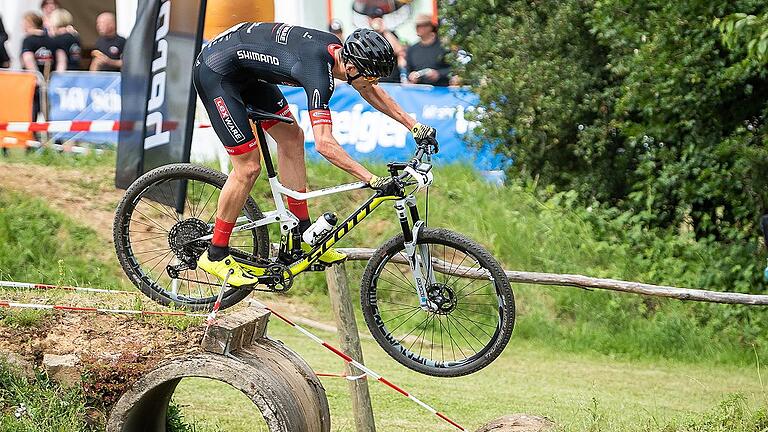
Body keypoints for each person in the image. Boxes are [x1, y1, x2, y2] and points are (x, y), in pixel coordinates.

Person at [192, 23, 438, 286]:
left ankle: (300, 232)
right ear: (353, 68)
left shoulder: (341, 55)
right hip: (216, 73)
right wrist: (370, 178)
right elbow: (324, 144)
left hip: (247, 73)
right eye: (372, 77)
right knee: (248, 168)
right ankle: (216, 253)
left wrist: (414, 126)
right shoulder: (318, 73)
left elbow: (369, 90)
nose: (374, 83)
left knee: (293, 138)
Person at [406, 14, 451, 86]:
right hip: (419, 91)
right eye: (417, 26)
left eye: (421, 25)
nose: (417, 28)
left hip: (441, 90)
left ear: (430, 27)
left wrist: (438, 74)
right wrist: (411, 75)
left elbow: (453, 69)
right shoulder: (412, 49)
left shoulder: (443, 47)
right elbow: (407, 70)